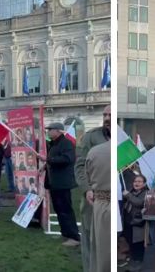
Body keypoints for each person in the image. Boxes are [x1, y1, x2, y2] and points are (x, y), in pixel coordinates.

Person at [75, 105, 111, 271]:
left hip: (114, 200)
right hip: (94, 199)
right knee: (91, 240)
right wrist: (86, 189)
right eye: (104, 114)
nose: (106, 118)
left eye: (110, 114)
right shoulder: (90, 137)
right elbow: (81, 166)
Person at [45, 121, 80, 246]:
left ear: (58, 131)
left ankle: (74, 237)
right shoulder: (53, 144)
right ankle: (64, 233)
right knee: (59, 209)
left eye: (50, 129)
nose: (48, 132)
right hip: (54, 182)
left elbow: (67, 159)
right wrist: (45, 165)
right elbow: (52, 160)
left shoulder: (66, 144)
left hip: (63, 183)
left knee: (66, 210)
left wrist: (49, 160)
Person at [84, 136, 110, 272]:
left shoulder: (94, 152)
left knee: (101, 249)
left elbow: (87, 174)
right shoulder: (96, 152)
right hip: (105, 202)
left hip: (102, 204)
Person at [124, 174, 147, 272]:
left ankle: (138, 265)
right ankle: (132, 264)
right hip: (128, 221)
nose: (136, 183)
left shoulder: (145, 193)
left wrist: (128, 195)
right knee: (131, 243)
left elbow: (139, 202)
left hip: (138, 222)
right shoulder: (130, 191)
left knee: (138, 244)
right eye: (135, 181)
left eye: (139, 181)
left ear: (144, 183)